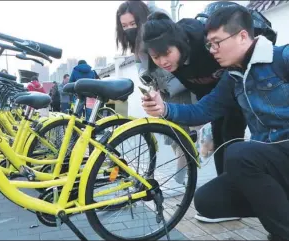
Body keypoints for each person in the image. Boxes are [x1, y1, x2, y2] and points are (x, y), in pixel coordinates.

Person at [141, 5, 289, 240]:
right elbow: (203, 110)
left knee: (239, 153)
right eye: (209, 44)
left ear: (242, 36)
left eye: (217, 42)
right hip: (270, 162)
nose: (212, 50)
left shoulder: (282, 57)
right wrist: (164, 108)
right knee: (208, 201)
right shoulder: (233, 78)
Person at [142, 9, 247, 182]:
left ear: (180, 43)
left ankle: (235, 187)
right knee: (219, 137)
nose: (162, 62)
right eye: (155, 57)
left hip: (237, 86)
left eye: (166, 54)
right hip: (213, 99)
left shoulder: (205, 43)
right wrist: (161, 106)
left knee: (231, 137)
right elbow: (202, 107)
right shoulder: (173, 62)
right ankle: (228, 186)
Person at [116, 0, 194, 185]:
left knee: (181, 132)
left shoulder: (159, 23)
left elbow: (174, 55)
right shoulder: (136, 40)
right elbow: (139, 61)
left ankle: (183, 175)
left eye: (132, 24)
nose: (129, 29)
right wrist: (146, 78)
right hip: (162, 87)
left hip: (178, 84)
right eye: (124, 26)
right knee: (173, 133)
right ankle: (185, 173)